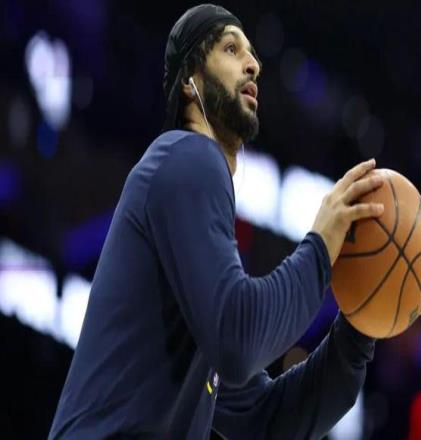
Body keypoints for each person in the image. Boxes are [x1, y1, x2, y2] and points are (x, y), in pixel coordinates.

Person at [49, 4, 385, 439]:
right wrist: (320, 247)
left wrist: (357, 332)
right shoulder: (187, 155)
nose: (254, 64)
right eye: (231, 48)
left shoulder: (189, 223)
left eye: (252, 53)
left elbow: (268, 420)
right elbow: (238, 339)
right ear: (190, 79)